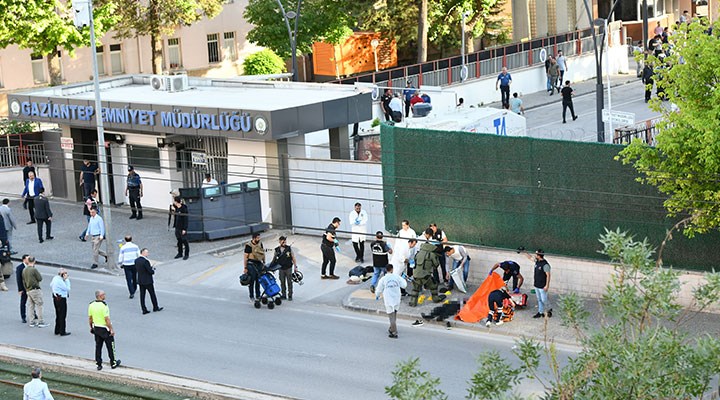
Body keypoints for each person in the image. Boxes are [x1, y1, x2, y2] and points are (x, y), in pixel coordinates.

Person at [408, 229, 446, 307]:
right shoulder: (432, 254)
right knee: (434, 285)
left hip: (416, 274)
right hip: (426, 275)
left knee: (416, 288)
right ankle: (435, 299)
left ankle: (413, 302)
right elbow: (436, 265)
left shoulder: (419, 253)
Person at [88, 290, 120, 370]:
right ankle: (113, 363)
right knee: (110, 346)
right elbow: (107, 319)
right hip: (104, 329)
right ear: (100, 296)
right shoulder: (104, 306)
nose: (105, 295)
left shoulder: (91, 305)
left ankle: (99, 363)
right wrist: (111, 329)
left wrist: (91, 327)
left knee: (98, 346)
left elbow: (90, 318)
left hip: (96, 328)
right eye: (103, 294)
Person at [375, 264, 406, 338]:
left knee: (391, 316)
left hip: (388, 299)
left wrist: (377, 295)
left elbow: (379, 289)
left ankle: (394, 332)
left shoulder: (383, 279)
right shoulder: (397, 277)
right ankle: (391, 328)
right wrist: (403, 278)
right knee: (394, 314)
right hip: (397, 298)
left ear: (386, 270)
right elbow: (404, 285)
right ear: (392, 269)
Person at [524, 249, 552, 318]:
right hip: (536, 284)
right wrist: (524, 252)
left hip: (542, 286)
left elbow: (548, 275)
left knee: (543, 299)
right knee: (539, 299)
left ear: (539, 256)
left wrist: (547, 285)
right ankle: (540, 312)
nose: (535, 255)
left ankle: (549, 309)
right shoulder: (537, 261)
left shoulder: (545, 265)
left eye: (536, 254)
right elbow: (530, 257)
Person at [22, 256, 48, 328]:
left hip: (28, 290)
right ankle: (41, 322)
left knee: (31, 306)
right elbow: (40, 278)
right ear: (34, 261)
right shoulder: (34, 270)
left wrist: (26, 289)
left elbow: (23, 281)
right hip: (35, 289)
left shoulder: (24, 270)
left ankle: (32, 321)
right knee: (39, 305)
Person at [135, 248, 163, 314]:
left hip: (141, 280)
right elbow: (150, 271)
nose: (148, 254)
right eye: (146, 252)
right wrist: (152, 270)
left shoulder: (136, 260)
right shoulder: (145, 261)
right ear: (143, 253)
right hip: (147, 280)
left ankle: (144, 309)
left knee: (142, 295)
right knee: (152, 294)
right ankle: (155, 307)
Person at [272, 236, 297, 301]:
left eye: (285, 241)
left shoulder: (289, 248)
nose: (284, 242)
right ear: (279, 241)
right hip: (281, 268)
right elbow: (274, 259)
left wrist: (295, 266)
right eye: (282, 241)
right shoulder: (277, 250)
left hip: (288, 267)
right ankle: (283, 295)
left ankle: (290, 295)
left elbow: (293, 258)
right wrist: (273, 268)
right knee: (282, 282)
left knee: (289, 282)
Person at [243, 232, 265, 301]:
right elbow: (245, 257)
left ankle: (258, 295)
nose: (259, 239)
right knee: (252, 280)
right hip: (251, 264)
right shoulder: (248, 245)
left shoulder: (260, 243)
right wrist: (245, 267)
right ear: (254, 238)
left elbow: (262, 253)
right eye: (257, 238)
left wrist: (264, 261)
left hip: (259, 263)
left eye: (259, 237)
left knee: (258, 280)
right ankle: (251, 296)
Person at [50, 268, 71, 336]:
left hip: (56, 297)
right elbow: (67, 288)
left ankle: (57, 329)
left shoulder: (55, 278)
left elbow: (51, 285)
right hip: (61, 298)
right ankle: (62, 331)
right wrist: (66, 280)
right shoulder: (60, 281)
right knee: (62, 315)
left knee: (58, 314)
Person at [17, 254, 30, 323]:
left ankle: (34, 313)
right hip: (24, 288)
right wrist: (20, 289)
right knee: (23, 302)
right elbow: (18, 279)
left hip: (30, 287)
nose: (29, 260)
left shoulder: (31, 266)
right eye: (28, 259)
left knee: (32, 301)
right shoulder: (20, 268)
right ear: (24, 260)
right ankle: (23, 316)